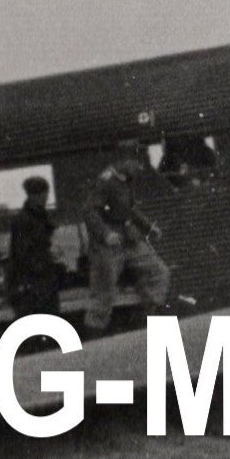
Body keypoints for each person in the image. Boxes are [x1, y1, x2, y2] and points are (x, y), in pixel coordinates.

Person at [82, 140, 173, 336]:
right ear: (123, 160)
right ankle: (93, 340)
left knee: (159, 272)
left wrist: (149, 227)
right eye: (135, 162)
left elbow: (129, 209)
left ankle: (149, 317)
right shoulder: (105, 181)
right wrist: (105, 234)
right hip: (109, 244)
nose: (138, 167)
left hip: (129, 239)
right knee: (104, 293)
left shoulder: (126, 179)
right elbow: (90, 212)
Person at [7, 176, 62, 319]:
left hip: (37, 280)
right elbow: (23, 253)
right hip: (35, 282)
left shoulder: (34, 216)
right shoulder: (27, 219)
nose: (45, 198)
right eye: (43, 194)